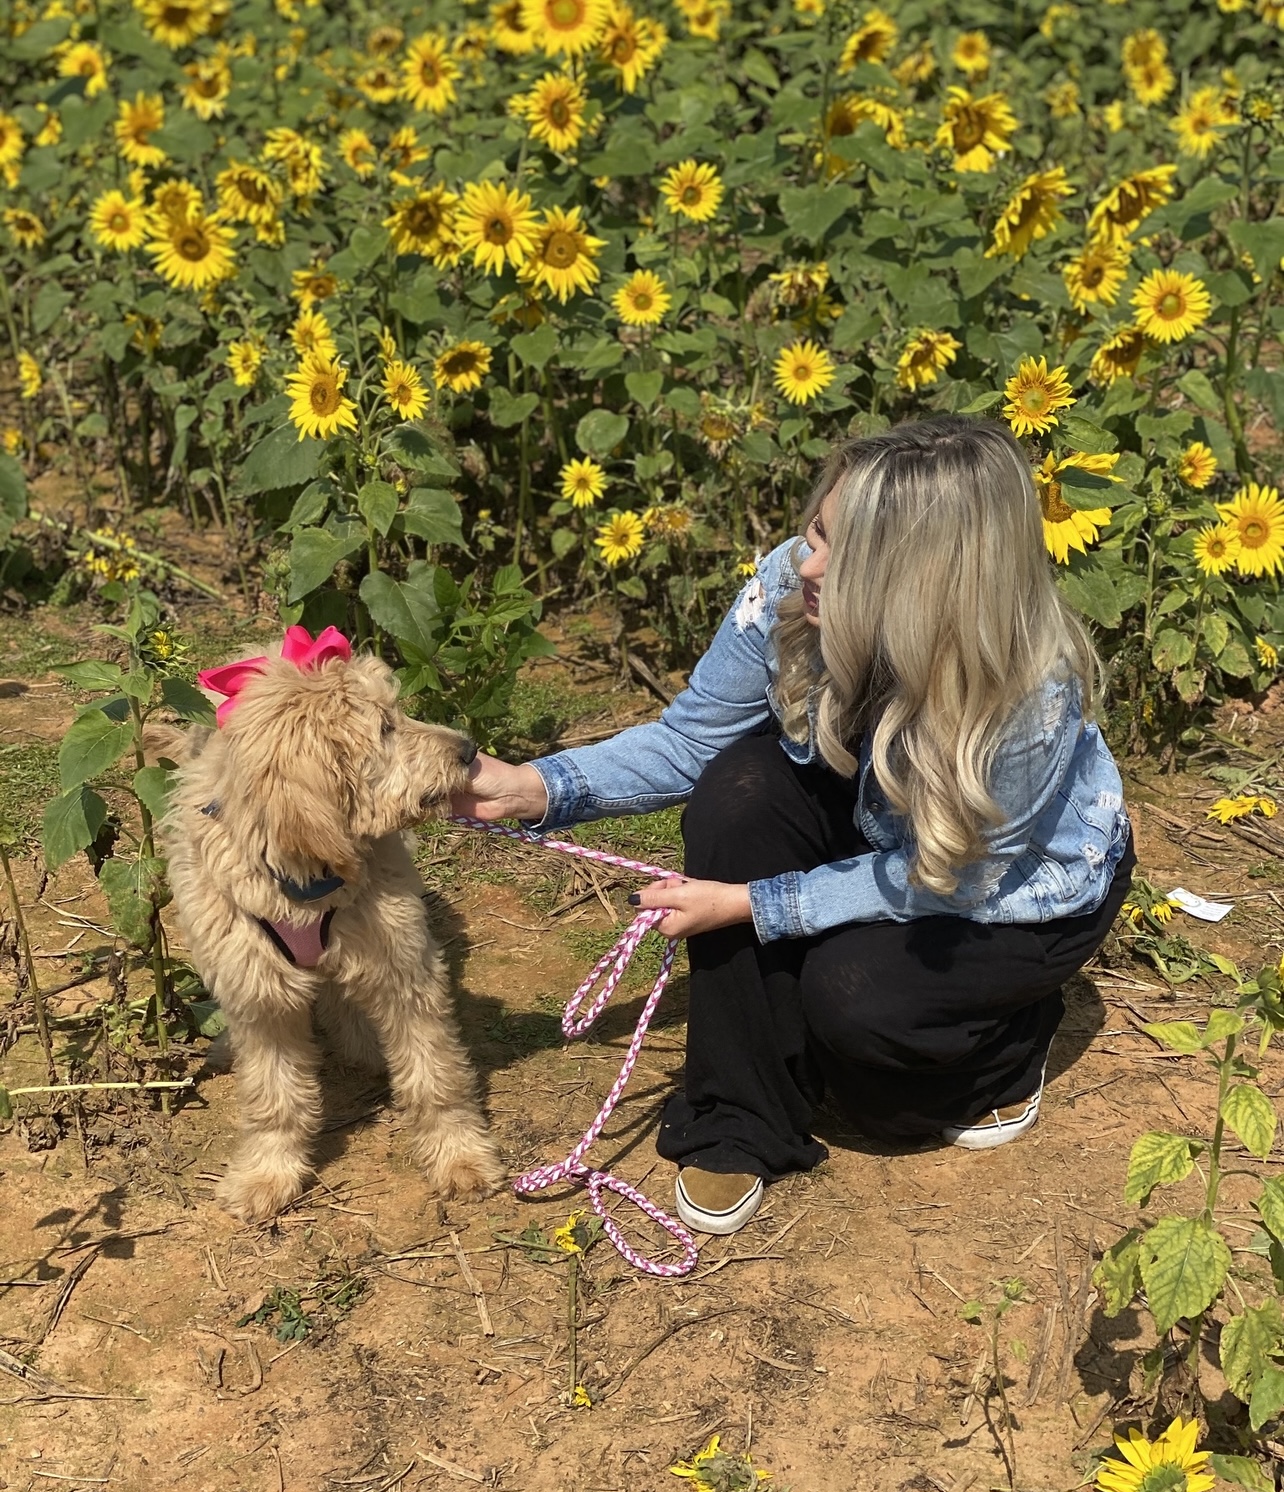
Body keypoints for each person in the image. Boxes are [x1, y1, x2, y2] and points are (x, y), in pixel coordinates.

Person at [454, 416, 1135, 1237]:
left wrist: (758, 905)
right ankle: (738, 1112)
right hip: (877, 809)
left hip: (1005, 889)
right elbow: (690, 737)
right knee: (737, 788)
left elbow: (955, 874)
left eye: (839, 556)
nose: (804, 563)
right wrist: (534, 788)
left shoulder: (1026, 692)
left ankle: (1005, 1047)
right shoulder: (794, 581)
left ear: (925, 586)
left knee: (863, 1024)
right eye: (816, 529)